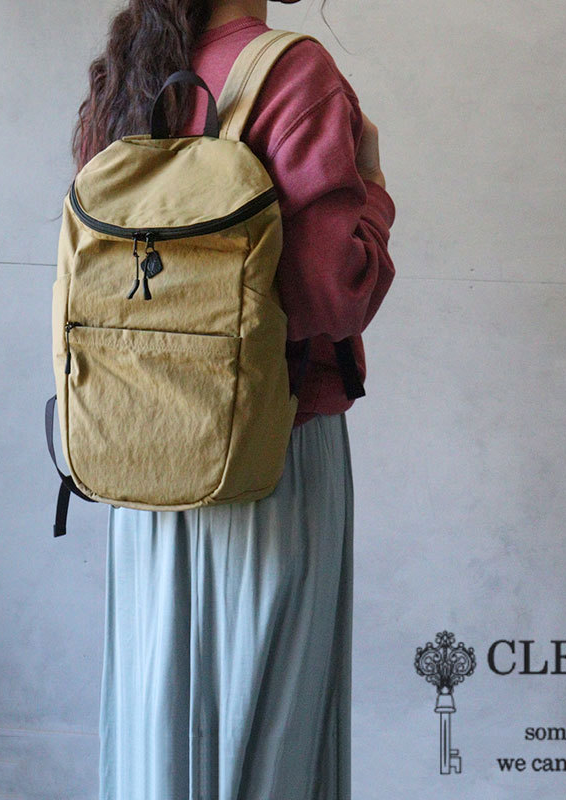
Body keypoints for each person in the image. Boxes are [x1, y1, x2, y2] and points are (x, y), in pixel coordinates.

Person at [70, 1, 396, 798]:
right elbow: (332, 294)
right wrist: (374, 193)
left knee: (157, 728)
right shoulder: (294, 72)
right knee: (268, 732)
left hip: (140, 463)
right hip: (269, 461)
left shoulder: (129, 74)